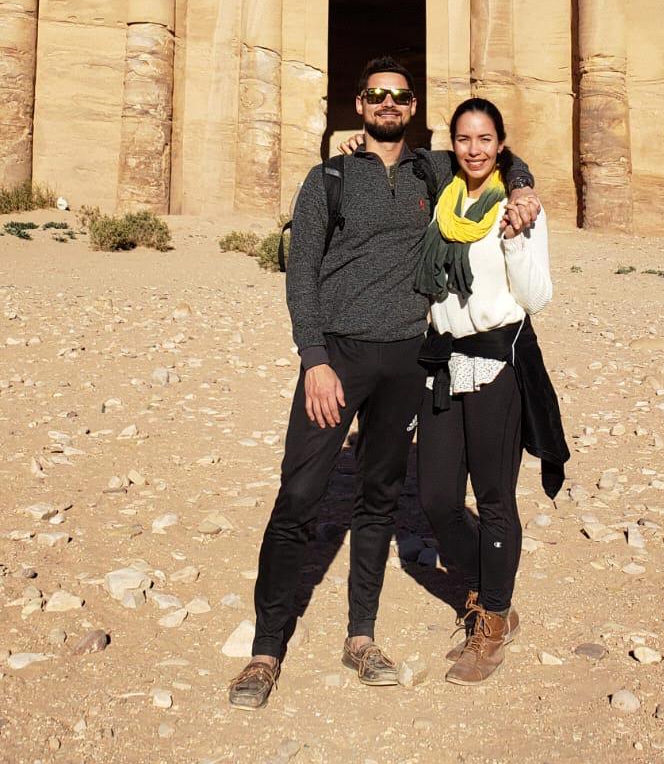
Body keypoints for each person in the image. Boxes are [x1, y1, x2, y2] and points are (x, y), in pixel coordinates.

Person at [228, 58, 541, 710]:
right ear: (360, 104)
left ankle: (361, 638)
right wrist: (313, 357)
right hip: (337, 359)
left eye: (398, 96)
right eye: (376, 95)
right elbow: (301, 272)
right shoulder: (329, 177)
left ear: (413, 105)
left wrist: (523, 188)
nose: (388, 104)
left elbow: (496, 157)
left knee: (377, 499)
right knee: (298, 497)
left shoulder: (434, 168)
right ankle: (265, 649)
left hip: (408, 360)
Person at [415, 96, 569, 685]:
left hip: (496, 363)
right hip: (443, 361)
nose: (474, 149)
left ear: (500, 144)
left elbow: (536, 298)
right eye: (464, 139)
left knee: (495, 498)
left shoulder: (518, 206)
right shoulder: (444, 199)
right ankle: (493, 584)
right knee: (437, 499)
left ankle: (494, 619)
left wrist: (515, 239)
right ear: (452, 144)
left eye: (485, 139)